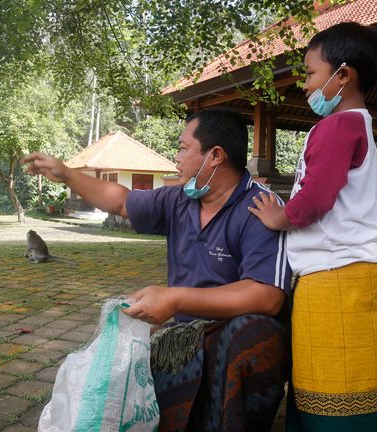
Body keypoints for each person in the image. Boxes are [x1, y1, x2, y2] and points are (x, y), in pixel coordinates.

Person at [23, 108, 292, 432]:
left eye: (182, 147)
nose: (176, 157)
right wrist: (67, 174)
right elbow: (122, 201)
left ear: (215, 156)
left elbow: (267, 295)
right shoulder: (178, 200)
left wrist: (175, 299)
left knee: (251, 336)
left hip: (232, 336)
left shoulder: (260, 208)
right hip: (183, 335)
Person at [248, 22, 377, 431]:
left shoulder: (336, 127)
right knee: (361, 378)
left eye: (310, 72)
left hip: (335, 278)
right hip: (359, 274)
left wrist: (277, 217)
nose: (304, 85)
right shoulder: (360, 124)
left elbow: (317, 200)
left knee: (332, 390)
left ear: (343, 74)